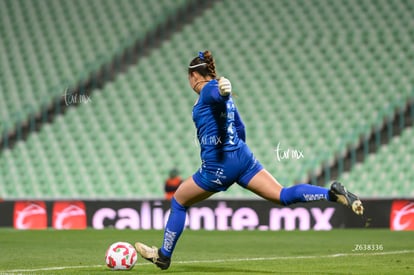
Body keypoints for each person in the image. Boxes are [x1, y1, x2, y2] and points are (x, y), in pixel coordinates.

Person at [135, 50, 364, 270]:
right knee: (282, 195)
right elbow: (241, 128)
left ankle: (163, 257)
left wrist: (223, 91)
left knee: (179, 201)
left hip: (218, 166)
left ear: (194, 75)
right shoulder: (227, 99)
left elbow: (215, 93)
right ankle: (331, 194)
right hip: (243, 158)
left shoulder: (207, 90)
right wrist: (237, 151)